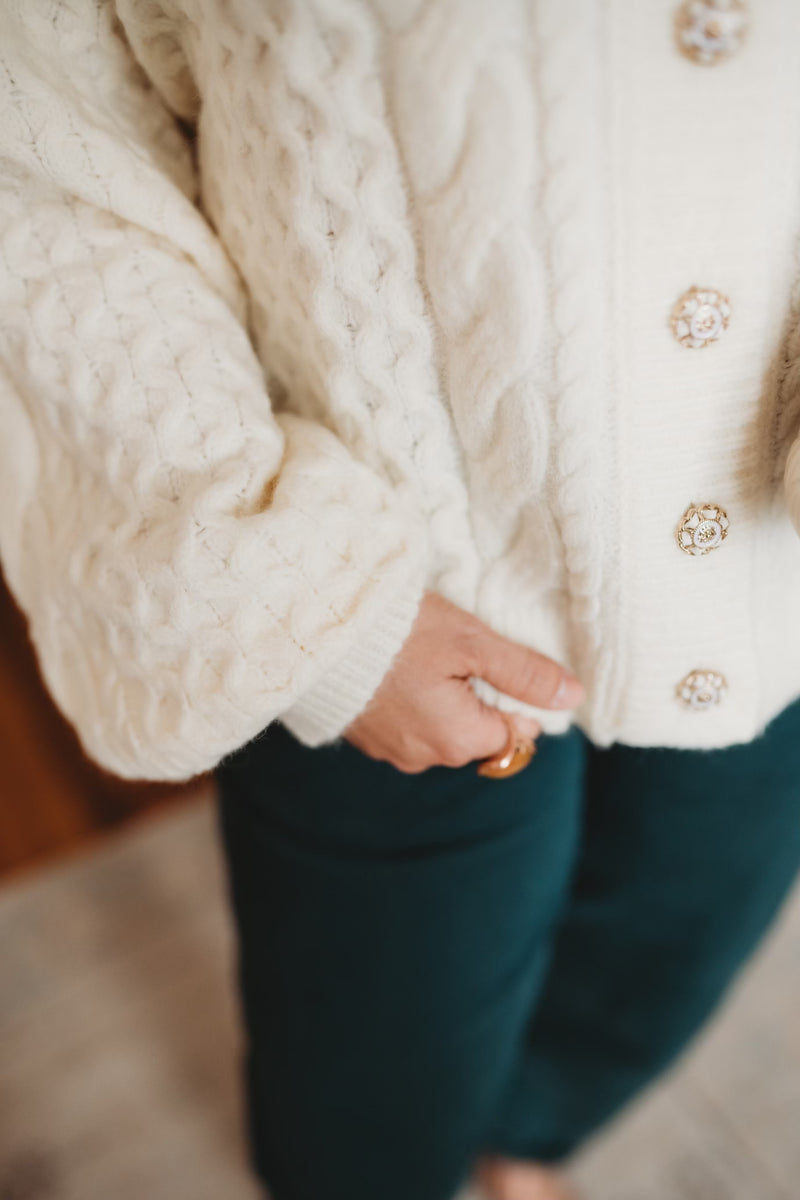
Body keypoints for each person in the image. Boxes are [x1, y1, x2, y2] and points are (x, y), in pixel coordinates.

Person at [2, 2, 800, 1199]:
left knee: (679, 923)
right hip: (393, 573)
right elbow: (47, 148)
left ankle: (526, 1136)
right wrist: (311, 606)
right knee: (374, 1024)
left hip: (765, 570)